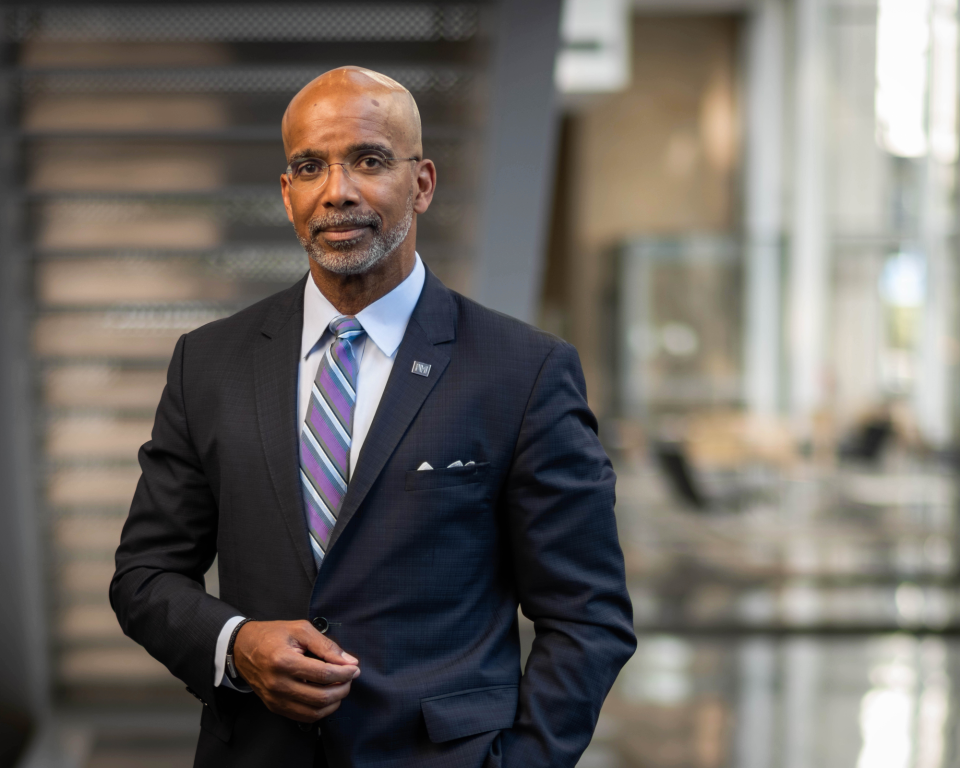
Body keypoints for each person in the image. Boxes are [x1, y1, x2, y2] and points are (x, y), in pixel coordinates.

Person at [111, 66, 635, 768]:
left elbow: (586, 617)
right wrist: (236, 642)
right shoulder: (208, 363)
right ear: (287, 191)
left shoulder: (524, 372)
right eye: (310, 166)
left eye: (369, 160)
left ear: (421, 184)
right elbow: (145, 575)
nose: (339, 191)